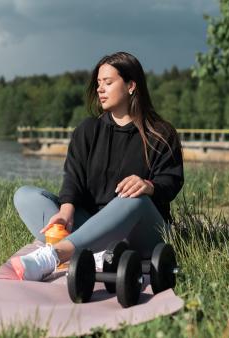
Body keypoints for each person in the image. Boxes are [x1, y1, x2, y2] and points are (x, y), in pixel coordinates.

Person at [11, 51, 184, 281]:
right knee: (26, 195)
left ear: (131, 85)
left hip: (141, 234)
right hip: (91, 225)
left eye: (108, 82)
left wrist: (148, 185)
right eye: (98, 83)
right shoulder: (88, 129)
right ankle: (91, 253)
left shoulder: (161, 133)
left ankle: (56, 255)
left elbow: (172, 181)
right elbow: (73, 178)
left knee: (133, 198)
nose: (100, 89)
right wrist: (65, 212)